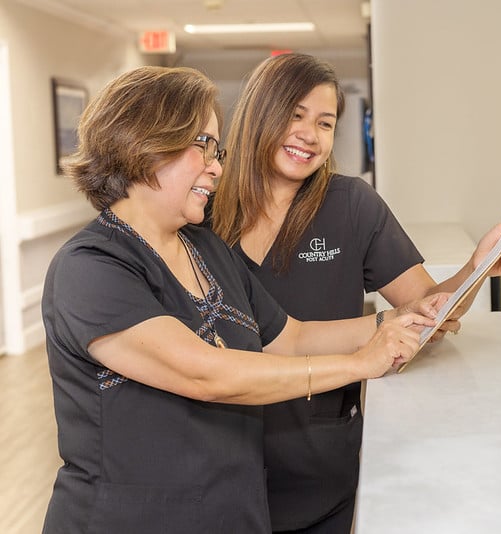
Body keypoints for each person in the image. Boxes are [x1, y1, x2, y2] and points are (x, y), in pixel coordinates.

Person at [40, 65, 445, 534]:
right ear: (144, 145)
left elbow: (290, 338)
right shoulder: (91, 267)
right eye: (203, 146)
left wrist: (396, 322)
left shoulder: (204, 247)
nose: (216, 165)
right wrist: (359, 365)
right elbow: (206, 372)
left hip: (231, 513)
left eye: (217, 149)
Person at [211, 52, 501, 533]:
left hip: (318, 464)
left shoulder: (351, 206)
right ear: (258, 114)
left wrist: (477, 266)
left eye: (325, 122)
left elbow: (426, 314)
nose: (309, 135)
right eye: (294, 115)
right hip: (219, 465)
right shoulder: (202, 212)